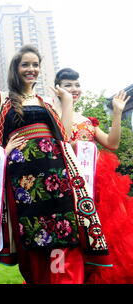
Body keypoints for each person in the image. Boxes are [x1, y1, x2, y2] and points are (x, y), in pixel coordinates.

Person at [0, 45, 110, 284]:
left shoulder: (45, 101)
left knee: (63, 226)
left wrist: (66, 102)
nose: (31, 69)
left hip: (55, 169)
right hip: (23, 174)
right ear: (16, 68)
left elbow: (63, 136)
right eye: (26, 64)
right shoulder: (1, 97)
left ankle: (63, 277)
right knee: (32, 228)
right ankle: (39, 277)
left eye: (35, 65)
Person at [55, 67, 133, 283]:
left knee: (104, 229)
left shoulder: (88, 121)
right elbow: (63, 135)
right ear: (58, 88)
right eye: (68, 85)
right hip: (67, 181)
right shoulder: (52, 114)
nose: (74, 89)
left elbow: (112, 143)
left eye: (77, 84)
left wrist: (117, 112)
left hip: (97, 183)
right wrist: (67, 104)